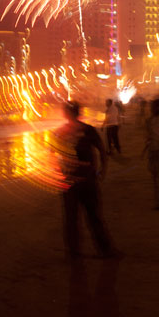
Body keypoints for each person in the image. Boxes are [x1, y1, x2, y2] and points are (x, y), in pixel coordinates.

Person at [56, 101, 118, 259]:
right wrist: (103, 169)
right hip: (78, 182)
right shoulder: (72, 131)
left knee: (84, 217)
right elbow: (101, 150)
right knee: (87, 217)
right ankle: (97, 251)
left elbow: (101, 149)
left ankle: (79, 252)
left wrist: (103, 169)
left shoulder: (79, 131)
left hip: (80, 182)